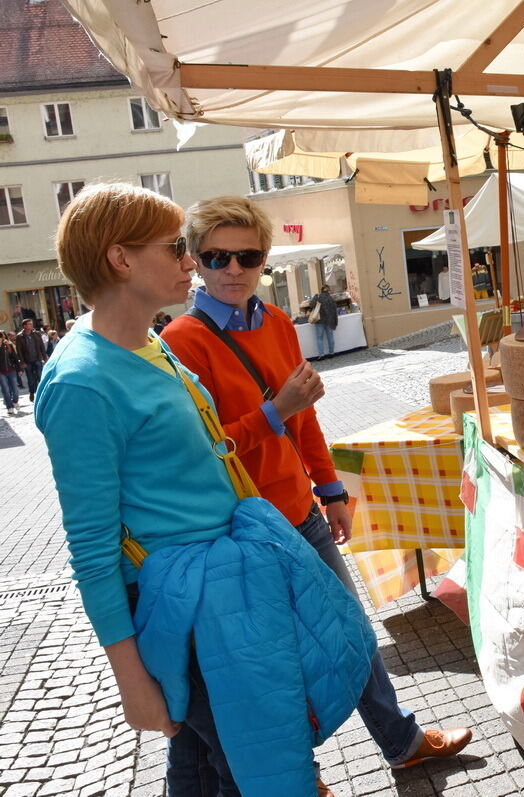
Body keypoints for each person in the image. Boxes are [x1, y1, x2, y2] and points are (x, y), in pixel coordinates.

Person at [35, 183, 379, 797]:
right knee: (255, 768)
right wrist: (131, 679)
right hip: (183, 600)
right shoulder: (82, 380)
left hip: (218, 591)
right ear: (120, 259)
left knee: (207, 765)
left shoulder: (145, 344)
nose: (191, 260)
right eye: (176, 248)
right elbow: (90, 548)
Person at [162, 196, 473, 792]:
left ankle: (401, 741)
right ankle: (303, 778)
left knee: (353, 633)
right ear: (195, 259)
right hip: (242, 532)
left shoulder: (279, 324)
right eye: (217, 256)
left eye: (248, 256)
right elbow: (204, 451)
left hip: (300, 514)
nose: (233, 268)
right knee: (273, 664)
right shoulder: (183, 340)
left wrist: (329, 491)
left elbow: (304, 420)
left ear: (264, 260)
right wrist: (275, 411)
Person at [15, 318, 47, 401]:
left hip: (37, 359)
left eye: (31, 324)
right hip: (27, 361)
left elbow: (42, 346)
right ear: (24, 326)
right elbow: (19, 351)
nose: (31, 325)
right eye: (29, 324)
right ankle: (32, 392)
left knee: (40, 377)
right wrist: (22, 362)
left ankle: (43, 394)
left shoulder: (37, 334)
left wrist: (45, 357)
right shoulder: (19, 336)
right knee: (31, 380)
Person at [307, 284, 339, 359]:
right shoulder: (331, 298)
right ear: (328, 291)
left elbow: (311, 305)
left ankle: (321, 354)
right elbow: (335, 311)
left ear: (321, 290)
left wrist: (315, 297)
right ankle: (331, 353)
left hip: (319, 321)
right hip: (329, 321)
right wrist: (335, 322)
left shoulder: (318, 296)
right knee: (330, 337)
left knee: (319, 338)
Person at [0, 331, 20, 415]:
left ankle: (15, 401)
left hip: (11, 370)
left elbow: (14, 357)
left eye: (2, 336)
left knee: (15, 389)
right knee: (6, 390)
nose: (2, 338)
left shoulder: (8, 344)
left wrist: (19, 369)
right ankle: (9, 407)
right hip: (1, 372)